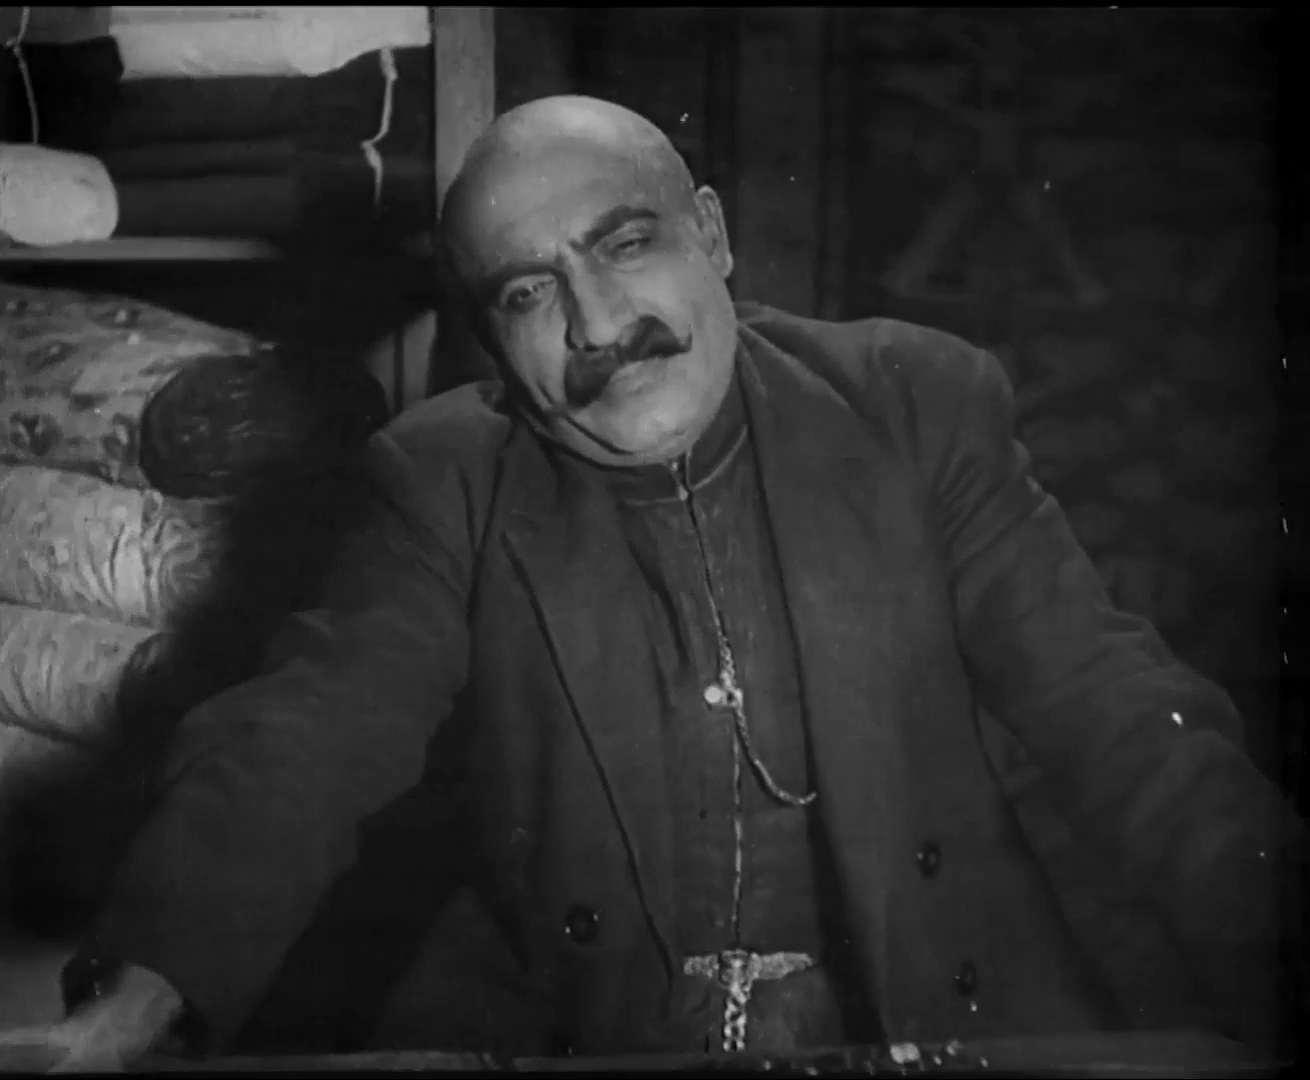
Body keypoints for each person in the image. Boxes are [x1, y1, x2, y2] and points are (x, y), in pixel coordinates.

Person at [0, 95, 1301, 1072]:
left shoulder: (911, 404)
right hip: (584, 1032)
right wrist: (136, 1000)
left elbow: (1113, 709)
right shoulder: (441, 479)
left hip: (929, 1012)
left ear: (713, 236)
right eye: (529, 292)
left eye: (624, 243)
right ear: (488, 336)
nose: (597, 322)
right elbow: (302, 739)